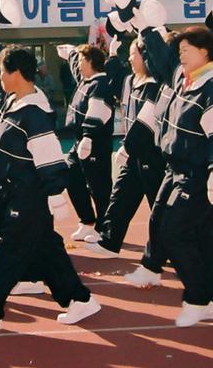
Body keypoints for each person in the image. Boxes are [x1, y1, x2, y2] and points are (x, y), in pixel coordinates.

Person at [0, 45, 99, 332]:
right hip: (10, 189)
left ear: (16, 73)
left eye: (2, 71)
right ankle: (80, 299)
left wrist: (56, 193)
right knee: (46, 249)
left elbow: (49, 155)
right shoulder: (13, 102)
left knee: (10, 253)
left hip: (29, 195)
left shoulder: (34, 113)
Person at [137, 26, 213, 327]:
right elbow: (160, 60)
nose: (180, 55)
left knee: (174, 233)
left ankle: (198, 298)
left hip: (197, 173)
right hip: (175, 168)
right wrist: (146, 27)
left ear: (205, 52)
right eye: (179, 50)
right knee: (195, 234)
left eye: (186, 50)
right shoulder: (185, 77)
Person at [85, 34, 167, 261]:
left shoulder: (155, 86)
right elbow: (113, 77)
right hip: (134, 157)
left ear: (146, 57)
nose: (129, 59)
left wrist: (127, 146)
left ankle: (172, 251)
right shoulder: (131, 81)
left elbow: (145, 121)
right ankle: (109, 241)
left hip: (152, 157)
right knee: (120, 198)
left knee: (161, 209)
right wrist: (112, 54)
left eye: (133, 54)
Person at [58, 43, 116, 244]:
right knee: (71, 176)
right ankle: (87, 220)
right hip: (78, 142)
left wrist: (89, 136)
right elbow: (76, 67)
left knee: (99, 187)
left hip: (95, 144)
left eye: (82, 60)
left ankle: (104, 228)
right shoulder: (86, 80)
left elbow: (99, 111)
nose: (79, 64)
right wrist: (72, 53)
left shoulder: (101, 84)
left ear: (91, 62)